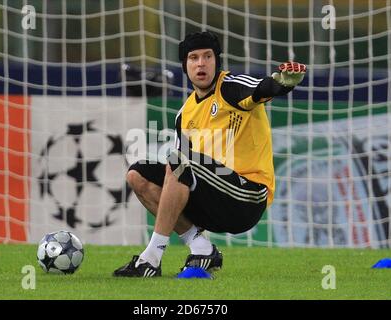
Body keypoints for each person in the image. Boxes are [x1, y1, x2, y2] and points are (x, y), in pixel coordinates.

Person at [113, 31, 306, 277]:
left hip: (247, 196)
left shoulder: (230, 87)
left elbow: (260, 89)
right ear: (185, 66)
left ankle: (151, 257)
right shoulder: (184, 114)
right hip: (213, 198)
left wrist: (282, 84)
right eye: (193, 58)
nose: (201, 63)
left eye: (207, 56)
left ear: (217, 61)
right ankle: (201, 247)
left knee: (179, 160)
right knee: (137, 175)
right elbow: (179, 175)